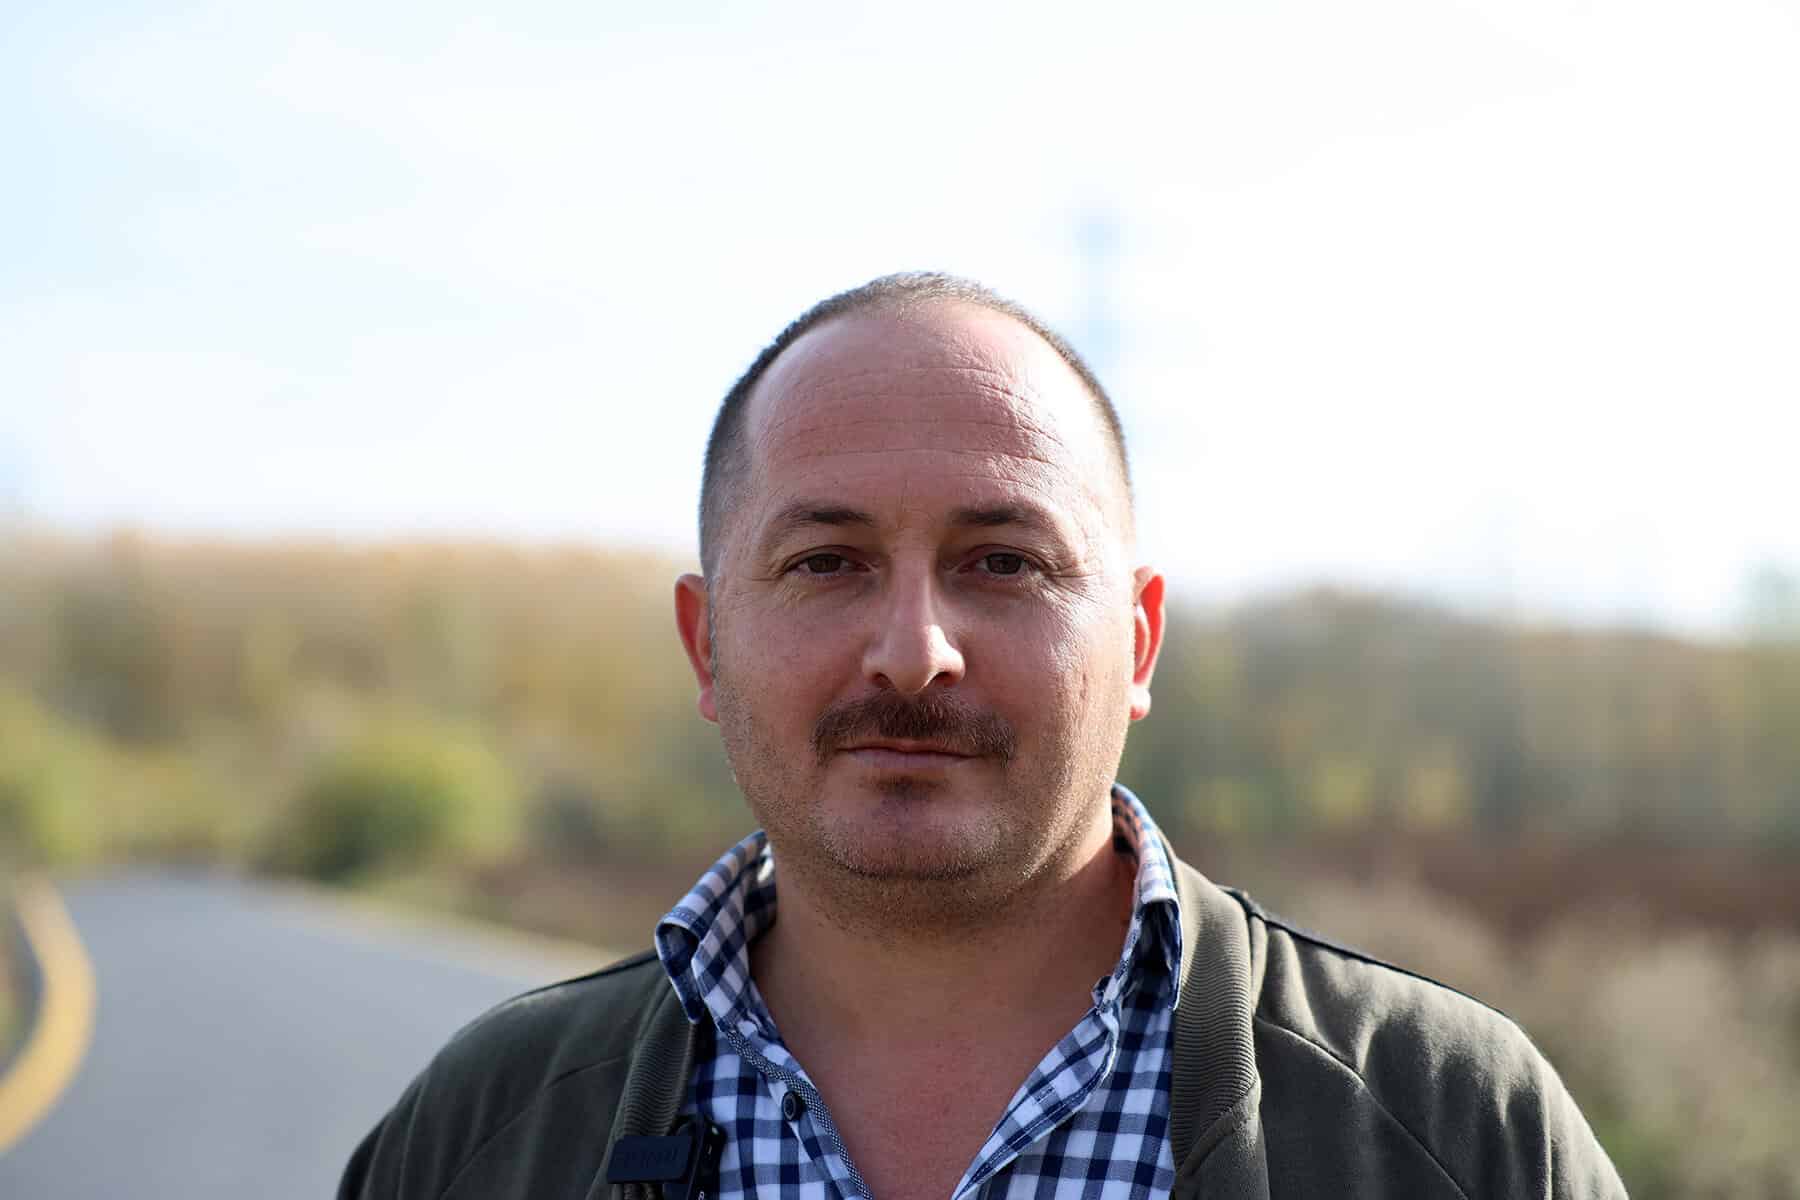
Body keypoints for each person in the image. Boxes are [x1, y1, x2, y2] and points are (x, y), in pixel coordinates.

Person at [339, 273, 1626, 1199]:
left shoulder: (1453, 1127)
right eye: (826, 561)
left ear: (1138, 645)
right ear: (707, 646)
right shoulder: (479, 1133)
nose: (914, 653)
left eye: (1003, 561)